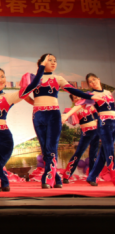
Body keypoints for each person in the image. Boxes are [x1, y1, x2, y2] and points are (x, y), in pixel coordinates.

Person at [24, 54, 100, 189]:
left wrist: (91, 96)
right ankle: (57, 178)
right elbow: (25, 94)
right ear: (42, 63)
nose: (53, 63)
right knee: (44, 148)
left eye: (55, 61)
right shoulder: (34, 78)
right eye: (50, 60)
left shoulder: (58, 79)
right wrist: (37, 104)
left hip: (53, 115)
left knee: (51, 147)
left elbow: (73, 90)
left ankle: (47, 178)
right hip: (38, 115)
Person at [84, 73, 115, 186]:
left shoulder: (108, 92)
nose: (93, 82)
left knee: (103, 152)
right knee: (109, 149)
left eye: (94, 79)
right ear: (89, 85)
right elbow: (81, 105)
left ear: (99, 79)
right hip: (104, 123)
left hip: (114, 122)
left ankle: (92, 177)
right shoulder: (91, 95)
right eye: (90, 82)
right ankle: (114, 176)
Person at [60, 94, 100, 183]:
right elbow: (72, 121)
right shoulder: (74, 110)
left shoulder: (90, 106)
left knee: (93, 155)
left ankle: (92, 177)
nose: (78, 98)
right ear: (73, 101)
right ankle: (67, 175)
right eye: (75, 98)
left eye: (79, 97)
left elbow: (97, 117)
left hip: (96, 132)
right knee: (78, 154)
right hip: (86, 133)